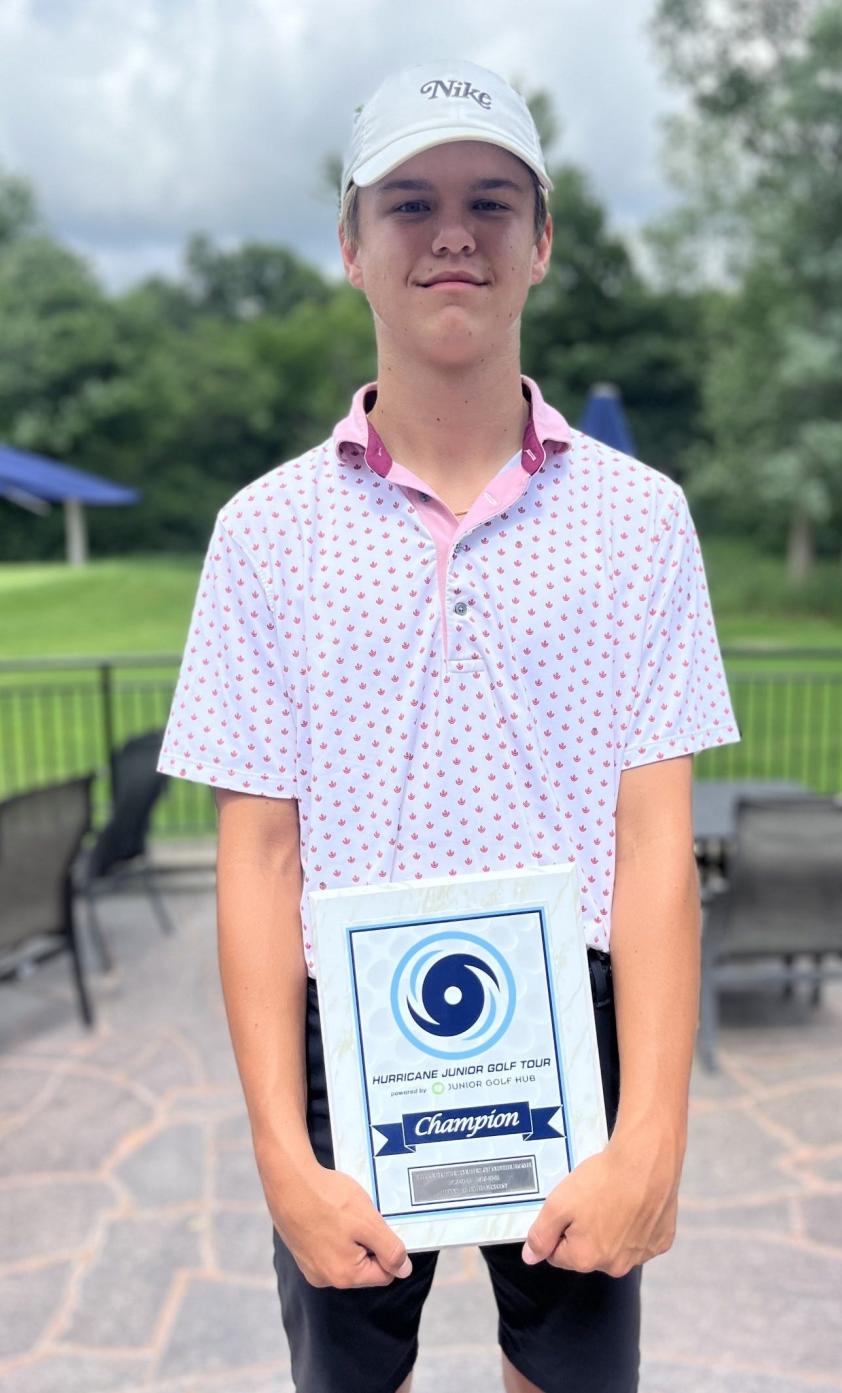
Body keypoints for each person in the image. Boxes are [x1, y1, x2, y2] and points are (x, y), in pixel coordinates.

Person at [158, 58, 741, 1393]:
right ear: (353, 246)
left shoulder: (642, 521)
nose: (452, 234)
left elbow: (655, 840)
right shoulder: (263, 537)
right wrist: (278, 1154)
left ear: (542, 242)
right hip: (339, 1040)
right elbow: (255, 858)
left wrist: (655, 1127)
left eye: (492, 200)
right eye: (409, 203)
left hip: (572, 1027)